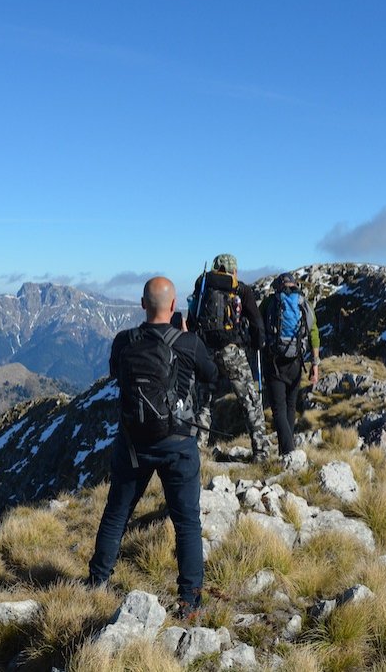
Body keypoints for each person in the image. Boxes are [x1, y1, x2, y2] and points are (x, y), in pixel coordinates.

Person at [88, 276, 217, 617]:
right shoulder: (189, 342)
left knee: (116, 515)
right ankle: (190, 600)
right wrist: (191, 338)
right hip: (178, 443)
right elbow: (211, 374)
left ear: (143, 304)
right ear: (174, 306)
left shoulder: (124, 340)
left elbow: (116, 373)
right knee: (187, 521)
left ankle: (97, 583)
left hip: (134, 444)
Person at [189, 253, 270, 462]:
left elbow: (192, 319)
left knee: (204, 402)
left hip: (205, 350)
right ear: (233, 270)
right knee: (249, 399)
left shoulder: (203, 286)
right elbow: (256, 324)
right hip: (231, 350)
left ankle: (197, 450)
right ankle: (261, 450)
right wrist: (255, 344)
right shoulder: (240, 289)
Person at [259, 272, 321, 456]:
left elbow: (258, 325)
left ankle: (287, 451)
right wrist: (315, 365)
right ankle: (287, 450)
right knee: (291, 405)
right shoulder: (304, 303)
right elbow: (314, 333)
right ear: (294, 285)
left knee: (278, 408)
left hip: (274, 361)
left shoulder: (270, 302)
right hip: (296, 361)